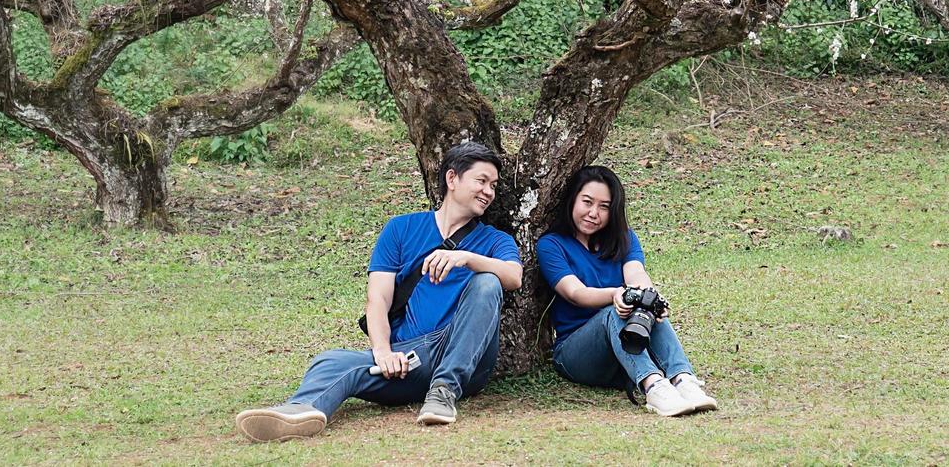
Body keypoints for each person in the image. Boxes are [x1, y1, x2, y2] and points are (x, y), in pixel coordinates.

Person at [235, 142, 523, 441]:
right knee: (333, 360)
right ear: (452, 179)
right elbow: (379, 298)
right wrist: (383, 352)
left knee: (487, 281)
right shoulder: (401, 229)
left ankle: (444, 391)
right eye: (481, 181)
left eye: (493, 185)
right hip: (412, 356)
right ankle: (299, 412)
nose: (489, 191)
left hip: (466, 355)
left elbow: (513, 277)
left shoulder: (494, 240)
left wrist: (467, 258)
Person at [536, 165, 717, 416]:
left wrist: (651, 300)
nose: (593, 213)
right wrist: (615, 295)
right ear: (572, 200)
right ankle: (653, 387)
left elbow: (637, 275)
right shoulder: (551, 244)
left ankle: (683, 379)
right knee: (614, 311)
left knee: (647, 303)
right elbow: (574, 293)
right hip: (577, 354)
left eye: (604, 207)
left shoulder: (625, 238)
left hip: (622, 352)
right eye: (587, 202)